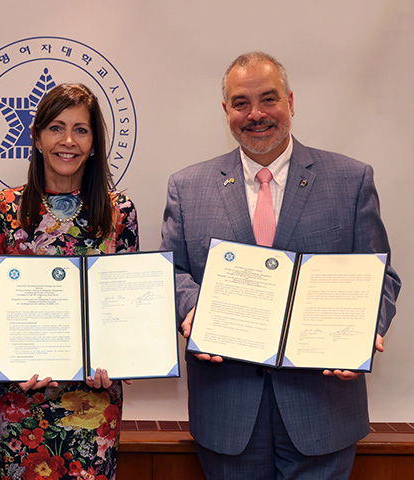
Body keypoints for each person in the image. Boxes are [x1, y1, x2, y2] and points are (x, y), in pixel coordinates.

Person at [160, 52, 401, 479]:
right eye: (241, 103)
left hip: (322, 407)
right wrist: (194, 308)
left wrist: (365, 331)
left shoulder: (351, 179)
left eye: (268, 99)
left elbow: (379, 277)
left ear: (290, 102)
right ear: (226, 111)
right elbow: (174, 272)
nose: (255, 114)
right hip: (228, 409)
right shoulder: (187, 186)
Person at [0, 83, 139, 480]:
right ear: (35, 137)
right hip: (21, 396)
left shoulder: (120, 213)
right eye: (56, 128)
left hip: (94, 399)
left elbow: (127, 309)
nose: (68, 141)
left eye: (81, 130)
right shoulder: (2, 210)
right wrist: (13, 359)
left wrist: (116, 357)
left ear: (95, 143)